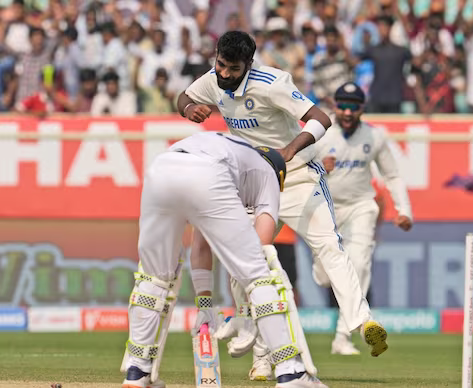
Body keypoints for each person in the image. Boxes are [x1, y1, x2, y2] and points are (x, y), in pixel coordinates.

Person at [176, 31, 387, 381]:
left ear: (249, 65)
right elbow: (183, 96)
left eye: (233, 68)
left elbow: (321, 118)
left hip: (300, 177)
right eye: (220, 65)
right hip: (256, 182)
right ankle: (260, 354)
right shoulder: (214, 79)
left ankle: (363, 322)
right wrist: (189, 108)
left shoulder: (272, 82)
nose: (224, 74)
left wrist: (288, 151)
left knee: (329, 248)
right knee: (247, 259)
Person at [121, 131, 326, 388]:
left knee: (154, 279)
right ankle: (291, 372)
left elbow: (201, 243)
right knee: (261, 275)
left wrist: (204, 304)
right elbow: (261, 247)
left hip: (160, 168)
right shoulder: (268, 174)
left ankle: (137, 371)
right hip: (207, 172)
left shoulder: (237, 157)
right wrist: (248, 314)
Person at [317, 82, 413, 355]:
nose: (347, 112)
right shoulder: (319, 134)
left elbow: (392, 176)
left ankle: (342, 337)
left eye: (353, 107)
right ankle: (344, 325)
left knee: (358, 263)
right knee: (327, 277)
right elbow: (294, 167)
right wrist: (317, 167)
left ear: (362, 108)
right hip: (325, 209)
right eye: (342, 106)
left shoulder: (375, 136)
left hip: (361, 205)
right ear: (334, 106)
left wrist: (404, 210)